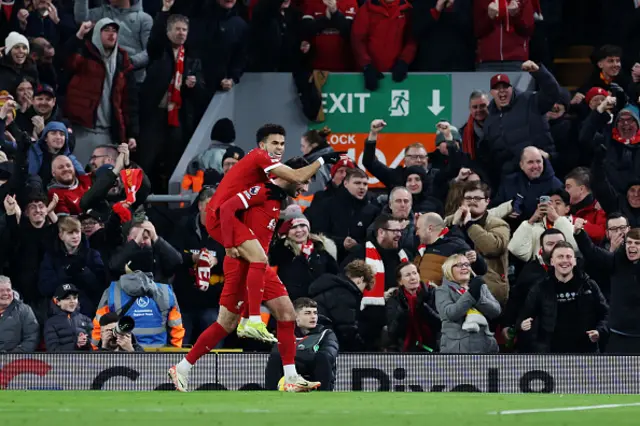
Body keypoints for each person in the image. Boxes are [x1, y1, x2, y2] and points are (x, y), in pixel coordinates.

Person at [169, 158, 322, 393]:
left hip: (258, 266)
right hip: (241, 263)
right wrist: (229, 245)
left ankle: (291, 377)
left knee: (287, 314)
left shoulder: (277, 197)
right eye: (302, 180)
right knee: (225, 323)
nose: (304, 186)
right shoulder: (262, 190)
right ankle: (183, 366)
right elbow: (228, 208)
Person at [205, 125, 342, 339]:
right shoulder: (261, 157)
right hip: (220, 217)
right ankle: (253, 320)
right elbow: (297, 176)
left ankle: (247, 327)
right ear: (262, 145)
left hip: (226, 218)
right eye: (274, 143)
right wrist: (323, 159)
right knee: (259, 259)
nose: (279, 148)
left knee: (256, 270)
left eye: (282, 143)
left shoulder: (267, 179)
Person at [64, 18, 139, 165]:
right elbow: (65, 63)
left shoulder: (123, 61)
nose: (111, 35)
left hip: (109, 131)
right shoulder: (84, 52)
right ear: (97, 33)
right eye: (106, 30)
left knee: (105, 177)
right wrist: (78, 36)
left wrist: (131, 134)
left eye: (114, 31)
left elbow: (130, 101)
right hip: (81, 127)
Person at [518, 241, 609, 354]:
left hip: (586, 352)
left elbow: (606, 314)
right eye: (560, 257)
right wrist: (523, 325)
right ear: (552, 261)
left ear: (575, 261)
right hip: (551, 354)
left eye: (568, 257)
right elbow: (524, 317)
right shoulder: (540, 288)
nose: (565, 260)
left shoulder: (589, 285)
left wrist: (599, 332)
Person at [574, 224, 640, 353]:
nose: (632, 246)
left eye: (637, 243)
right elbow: (592, 252)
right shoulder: (616, 261)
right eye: (629, 242)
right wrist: (579, 233)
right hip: (618, 335)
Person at [92, 269, 184, 349]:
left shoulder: (112, 291)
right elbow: (176, 326)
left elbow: (100, 325)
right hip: (157, 356)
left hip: (123, 355)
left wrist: (95, 351)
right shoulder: (165, 291)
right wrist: (174, 352)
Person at [265, 298, 339, 391]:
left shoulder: (326, 334)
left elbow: (329, 355)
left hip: (315, 380)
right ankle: (272, 393)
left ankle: (323, 395)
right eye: (307, 313)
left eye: (315, 313)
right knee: (276, 356)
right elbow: (277, 352)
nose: (313, 317)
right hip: (288, 380)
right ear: (295, 316)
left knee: (322, 357)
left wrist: (296, 354)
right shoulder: (286, 334)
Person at [435, 254, 501, 353]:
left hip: (485, 346)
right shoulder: (443, 290)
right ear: (449, 269)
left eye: (467, 264)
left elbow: (496, 310)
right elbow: (450, 313)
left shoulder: (480, 287)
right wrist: (471, 295)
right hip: (457, 349)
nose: (464, 267)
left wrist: (478, 298)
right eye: (459, 265)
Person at [270, 212, 339, 303]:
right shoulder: (281, 251)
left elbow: (334, 276)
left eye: (302, 225)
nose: (299, 230)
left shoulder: (321, 249)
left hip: (318, 306)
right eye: (293, 227)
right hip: (290, 305)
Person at [308, 259, 375, 351]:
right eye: (364, 287)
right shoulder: (345, 294)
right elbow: (346, 330)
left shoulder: (330, 286)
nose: (362, 292)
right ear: (361, 279)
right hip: (329, 344)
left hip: (316, 339)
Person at [414, 212, 487, 285]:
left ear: (430, 229)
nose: (416, 233)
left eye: (418, 229)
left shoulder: (456, 245)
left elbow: (481, 270)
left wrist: (476, 258)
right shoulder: (422, 246)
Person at [362, 119, 436, 191]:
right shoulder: (395, 176)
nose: (418, 160)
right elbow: (369, 162)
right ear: (405, 160)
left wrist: (447, 135)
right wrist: (373, 133)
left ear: (427, 159)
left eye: (422, 157)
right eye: (414, 157)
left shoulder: (436, 176)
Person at [384, 262, 440, 352]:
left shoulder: (432, 293)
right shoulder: (394, 299)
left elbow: (440, 324)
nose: (413, 278)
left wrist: (423, 307)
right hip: (406, 348)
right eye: (407, 275)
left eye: (415, 273)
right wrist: (404, 312)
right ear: (400, 281)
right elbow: (393, 332)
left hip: (433, 347)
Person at [44, 283, 93, 352]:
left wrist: (86, 342)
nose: (72, 301)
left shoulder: (86, 320)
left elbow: (94, 345)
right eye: (67, 298)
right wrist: (75, 345)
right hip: (63, 362)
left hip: (85, 361)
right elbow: (53, 350)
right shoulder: (51, 323)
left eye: (75, 298)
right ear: (57, 302)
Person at [0, 275, 39, 353]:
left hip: (15, 361)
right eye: (1, 290)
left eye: (8, 290)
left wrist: (13, 356)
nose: (5, 294)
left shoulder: (25, 310)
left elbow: (31, 338)